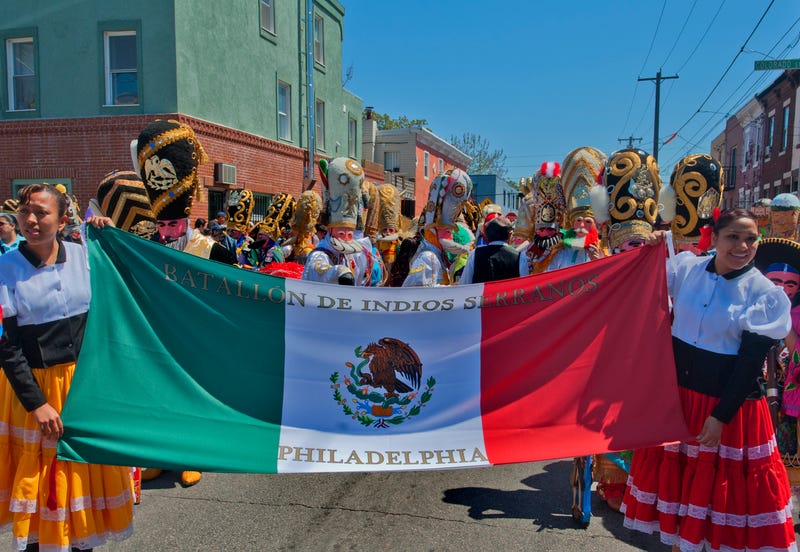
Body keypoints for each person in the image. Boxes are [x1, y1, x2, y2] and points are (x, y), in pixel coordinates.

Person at [622, 209, 796, 551]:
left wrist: (720, 418)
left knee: (721, 501)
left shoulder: (764, 294)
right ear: (714, 238)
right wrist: (651, 244)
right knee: (682, 495)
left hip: (728, 410)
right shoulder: (686, 269)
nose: (742, 246)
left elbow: (748, 366)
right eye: (733, 236)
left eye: (750, 238)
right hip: (681, 400)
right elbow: (637, 281)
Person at [0, 183, 134, 551]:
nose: (30, 220)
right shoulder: (4, 269)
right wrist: (36, 403)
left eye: (42, 212)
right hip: (35, 389)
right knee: (43, 485)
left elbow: (126, 289)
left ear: (62, 220)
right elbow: (6, 347)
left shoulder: (85, 256)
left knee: (82, 482)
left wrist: (108, 233)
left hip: (83, 386)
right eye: (25, 211)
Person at [303, 158, 385, 286]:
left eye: (350, 235)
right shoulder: (320, 254)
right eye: (341, 233)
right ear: (330, 230)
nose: (346, 239)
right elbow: (317, 270)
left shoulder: (348, 255)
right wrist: (339, 272)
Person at [402, 169, 473, 287]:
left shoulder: (437, 256)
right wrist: (451, 288)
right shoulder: (428, 257)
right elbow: (416, 296)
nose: (451, 234)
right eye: (446, 230)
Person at [459, 215, 527, 284]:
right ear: (509, 235)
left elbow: (464, 284)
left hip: (482, 295)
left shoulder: (474, 254)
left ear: (487, 235)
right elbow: (524, 287)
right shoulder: (519, 257)